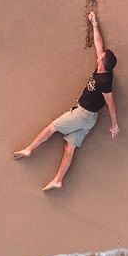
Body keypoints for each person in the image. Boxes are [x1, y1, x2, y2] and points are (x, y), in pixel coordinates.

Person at [13, 10, 120, 190]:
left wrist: (114, 124)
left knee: (52, 127)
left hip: (82, 114)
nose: (99, 56)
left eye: (101, 57)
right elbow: (98, 44)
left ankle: (29, 149)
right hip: (89, 120)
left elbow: (111, 105)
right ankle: (58, 180)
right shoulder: (102, 69)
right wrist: (94, 24)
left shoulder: (105, 81)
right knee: (69, 148)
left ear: (103, 63)